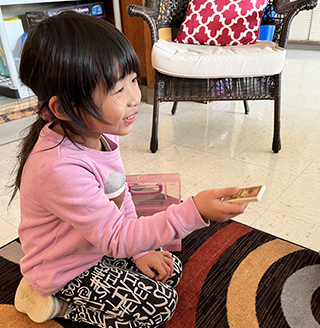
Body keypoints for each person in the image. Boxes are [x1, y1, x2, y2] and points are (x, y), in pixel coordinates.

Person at [10, 11, 247, 328]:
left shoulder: (102, 136)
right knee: (160, 305)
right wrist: (194, 212)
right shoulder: (58, 168)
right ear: (63, 108)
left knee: (168, 268)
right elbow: (116, 239)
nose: (135, 97)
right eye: (118, 90)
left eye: (132, 80)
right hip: (64, 268)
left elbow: (120, 195)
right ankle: (56, 303)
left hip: (94, 243)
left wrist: (140, 251)